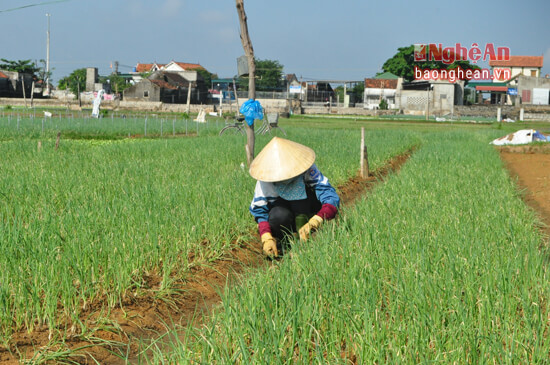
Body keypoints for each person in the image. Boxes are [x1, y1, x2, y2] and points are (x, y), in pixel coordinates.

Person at [249, 137, 340, 257]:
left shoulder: (307, 168)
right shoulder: (265, 180)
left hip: (306, 207)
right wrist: (266, 237)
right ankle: (284, 241)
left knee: (301, 203)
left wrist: (317, 220)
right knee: (278, 216)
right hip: (282, 212)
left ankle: (308, 238)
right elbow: (260, 211)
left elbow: (330, 195)